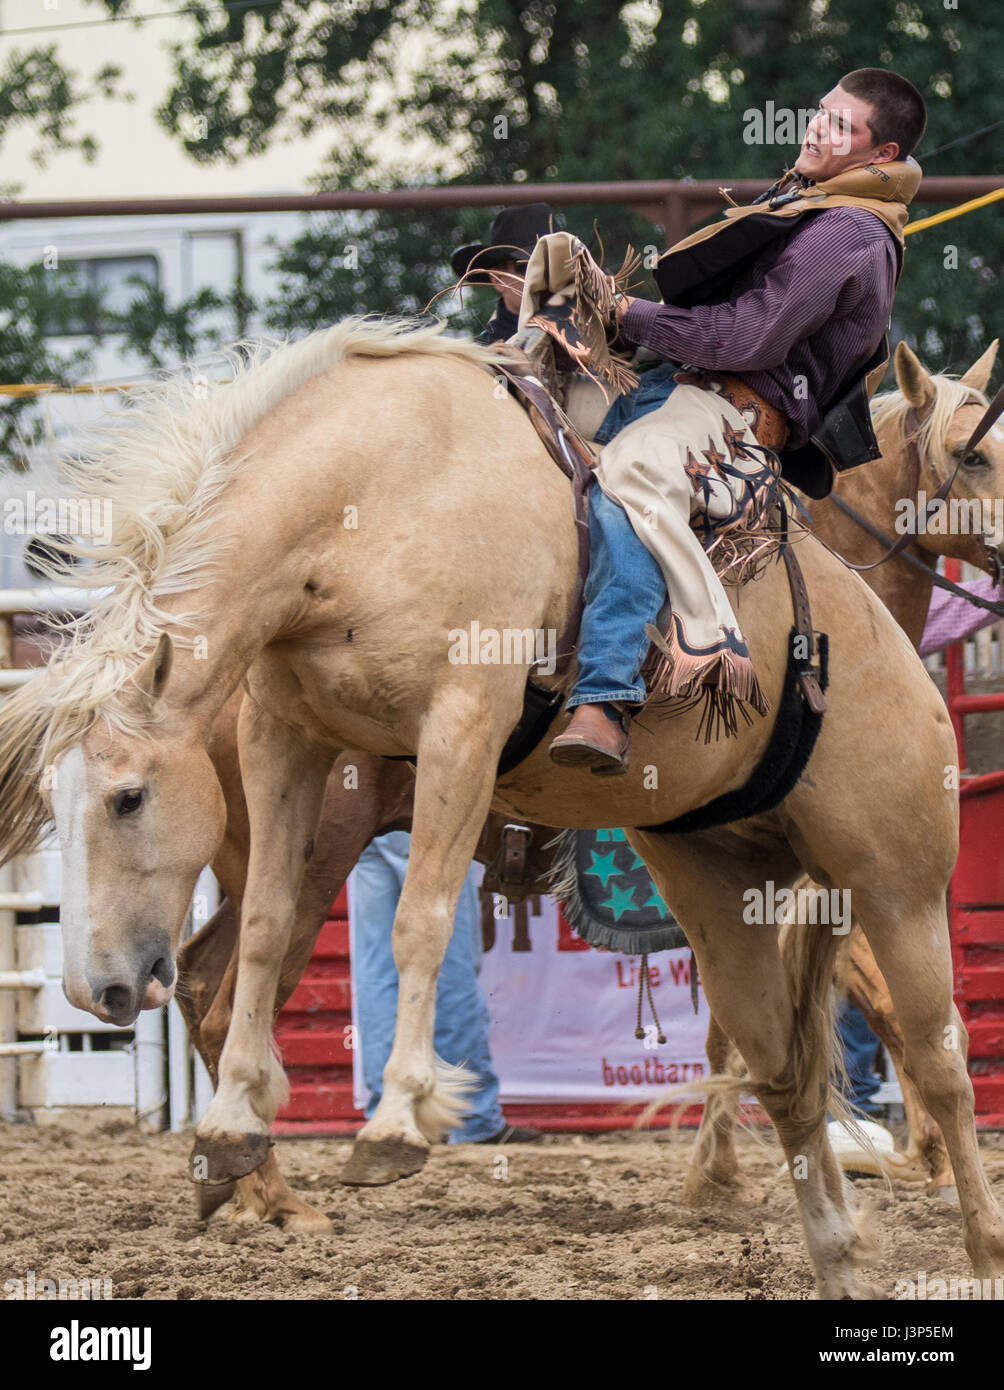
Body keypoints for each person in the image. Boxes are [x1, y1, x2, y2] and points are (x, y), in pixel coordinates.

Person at [548, 68, 928, 774]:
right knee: (525, 412)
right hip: (678, 388)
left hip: (728, 417)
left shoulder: (847, 230)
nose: (816, 128)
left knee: (631, 481)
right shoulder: (814, 202)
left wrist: (626, 313)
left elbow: (745, 340)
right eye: (820, 113)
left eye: (842, 126)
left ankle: (605, 697)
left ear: (882, 155)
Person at [451, 203, 554, 344]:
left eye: (556, 265)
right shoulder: (483, 356)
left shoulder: (589, 333)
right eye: (527, 267)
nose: (546, 275)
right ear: (498, 279)